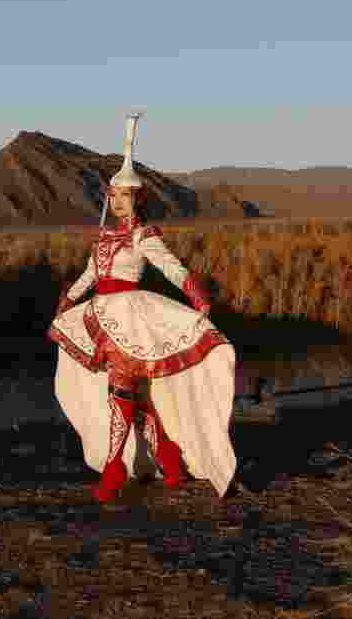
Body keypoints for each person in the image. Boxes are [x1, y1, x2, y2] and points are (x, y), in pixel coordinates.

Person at [48, 117, 238, 502]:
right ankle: (168, 461)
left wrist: (196, 296)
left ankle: (113, 473)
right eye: (112, 195)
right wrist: (69, 299)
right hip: (99, 313)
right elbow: (90, 274)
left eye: (123, 196)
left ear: (137, 199)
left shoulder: (142, 236)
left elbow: (171, 267)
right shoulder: (104, 237)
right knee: (134, 398)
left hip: (129, 317)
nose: (116, 201)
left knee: (120, 391)